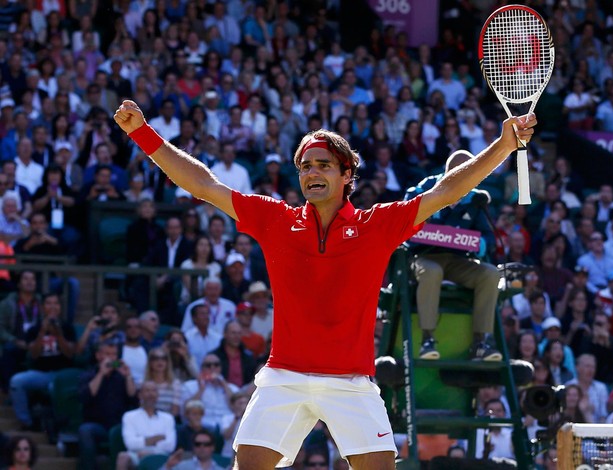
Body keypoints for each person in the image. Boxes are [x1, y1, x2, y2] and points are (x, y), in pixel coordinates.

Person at [114, 99, 536, 469]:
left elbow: (446, 191)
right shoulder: (274, 220)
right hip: (284, 377)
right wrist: (143, 133)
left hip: (351, 382)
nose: (312, 173)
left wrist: (504, 145)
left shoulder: (378, 225)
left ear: (346, 173)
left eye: (323, 165)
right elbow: (203, 185)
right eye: (305, 166)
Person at [405, 150, 501, 360]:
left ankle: (481, 342)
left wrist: (479, 244)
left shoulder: (476, 199)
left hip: (458, 260)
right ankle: (427, 339)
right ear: (449, 174)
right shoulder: (421, 191)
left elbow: (489, 237)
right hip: (423, 258)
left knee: (491, 274)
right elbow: (403, 229)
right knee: (432, 271)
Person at [9, 293, 76, 429]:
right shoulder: (34, 329)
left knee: (54, 388)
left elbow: (70, 354)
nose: (52, 306)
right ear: (42, 307)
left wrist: (59, 335)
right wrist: (42, 332)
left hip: (63, 374)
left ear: (60, 307)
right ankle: (27, 422)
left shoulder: (68, 327)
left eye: (56, 303)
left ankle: (58, 424)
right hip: (41, 373)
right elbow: (33, 355)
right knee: (16, 381)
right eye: (48, 303)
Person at [77, 342, 138, 470]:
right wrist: (101, 373)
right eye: (107, 354)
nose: (111, 358)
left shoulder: (120, 377)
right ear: (98, 356)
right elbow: (85, 397)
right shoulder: (88, 375)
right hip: (96, 424)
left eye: (114, 354)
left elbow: (133, 398)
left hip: (118, 424)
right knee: (85, 431)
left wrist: (128, 376)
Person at [116, 381, 176, 470]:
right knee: (122, 457)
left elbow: (170, 445)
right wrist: (156, 439)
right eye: (147, 391)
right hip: (136, 455)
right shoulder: (129, 416)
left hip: (160, 455)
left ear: (157, 395)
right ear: (140, 395)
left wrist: (149, 450)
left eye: (153, 391)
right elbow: (130, 444)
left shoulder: (168, 418)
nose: (150, 394)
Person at [163, 429, 227, 470]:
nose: (202, 447)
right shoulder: (181, 467)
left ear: (213, 447)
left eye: (206, 444)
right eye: (198, 444)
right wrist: (168, 466)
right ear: (193, 447)